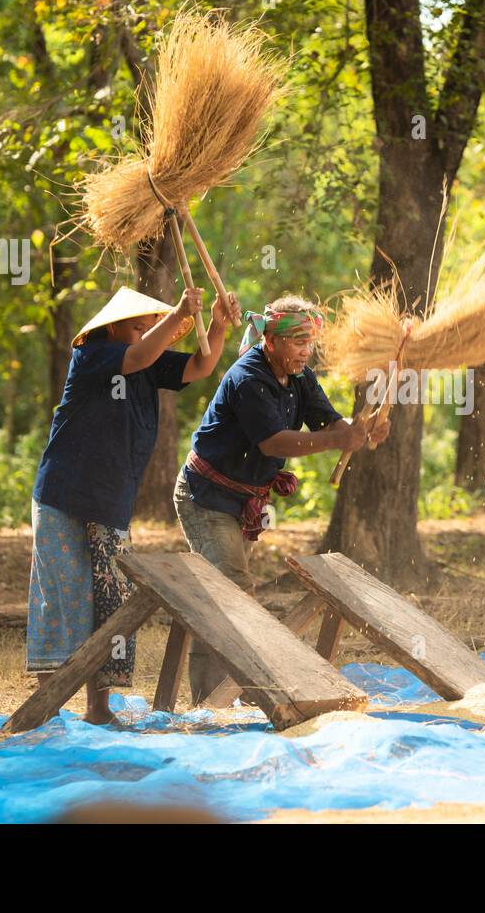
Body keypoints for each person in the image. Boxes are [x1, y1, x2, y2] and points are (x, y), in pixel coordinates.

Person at [28, 284, 236, 723]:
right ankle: (44, 710)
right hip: (64, 494)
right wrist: (179, 310)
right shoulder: (94, 356)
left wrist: (216, 326)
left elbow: (201, 365)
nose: (145, 333)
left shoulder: (150, 363)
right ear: (112, 327)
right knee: (62, 595)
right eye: (138, 326)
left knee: (112, 603)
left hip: (111, 499)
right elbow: (136, 357)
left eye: (150, 326)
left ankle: (98, 709)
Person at [174, 295, 389, 703]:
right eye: (296, 342)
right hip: (207, 495)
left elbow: (328, 420)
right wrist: (336, 439)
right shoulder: (248, 378)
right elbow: (274, 444)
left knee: (222, 593)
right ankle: (218, 701)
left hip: (243, 500)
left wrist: (360, 430)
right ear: (269, 341)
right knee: (229, 591)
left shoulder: (301, 375)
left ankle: (229, 694)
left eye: (309, 342)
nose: (305, 350)